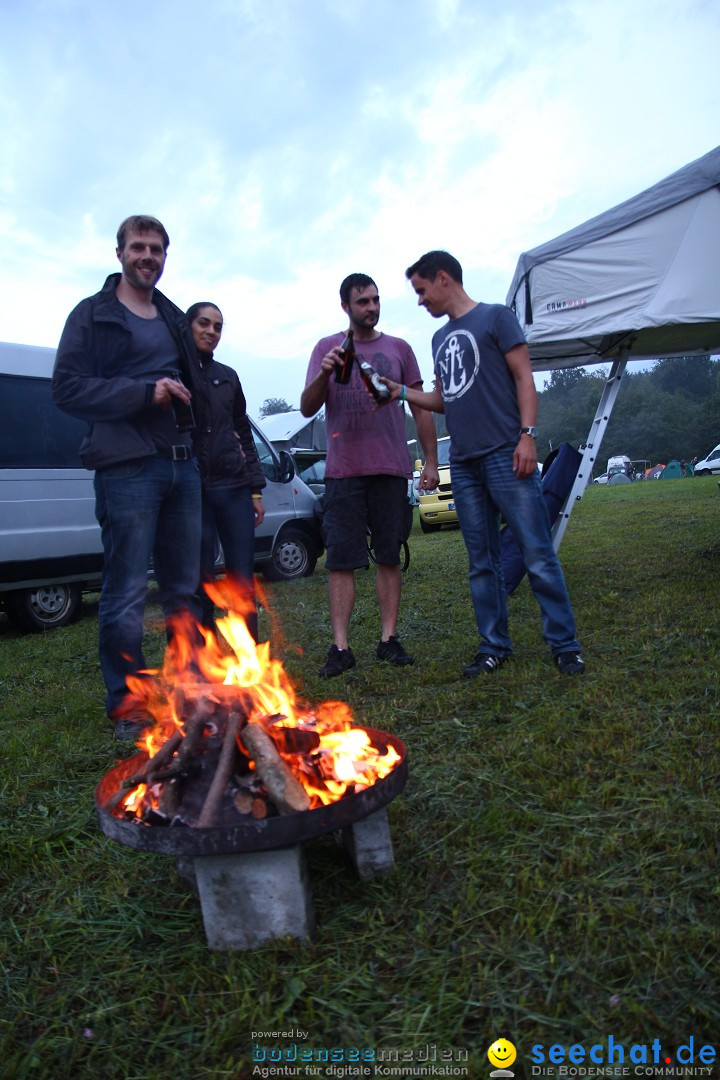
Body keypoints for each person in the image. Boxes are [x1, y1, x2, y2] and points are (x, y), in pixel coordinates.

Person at [386, 250, 585, 677]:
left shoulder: (497, 318)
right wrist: (400, 392)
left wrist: (527, 436)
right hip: (465, 463)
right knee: (482, 562)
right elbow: (444, 398)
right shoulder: (440, 339)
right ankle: (494, 645)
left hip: (505, 453)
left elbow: (523, 377)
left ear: (443, 278)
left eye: (421, 291)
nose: (420, 301)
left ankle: (564, 644)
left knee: (536, 551)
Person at [52, 214, 204, 739]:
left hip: (183, 464)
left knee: (185, 589)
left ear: (166, 256)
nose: (148, 256)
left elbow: (195, 380)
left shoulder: (173, 315)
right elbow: (67, 389)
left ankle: (191, 693)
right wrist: (145, 393)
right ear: (119, 253)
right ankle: (131, 707)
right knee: (126, 594)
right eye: (138, 247)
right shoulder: (93, 315)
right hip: (126, 468)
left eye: (157, 249)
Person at [301, 272, 439, 676]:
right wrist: (325, 372)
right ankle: (341, 647)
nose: (372, 307)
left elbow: (421, 407)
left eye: (376, 300)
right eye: (363, 301)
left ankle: (388, 639)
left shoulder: (399, 348)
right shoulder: (327, 348)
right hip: (343, 471)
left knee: (389, 555)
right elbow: (308, 406)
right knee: (341, 560)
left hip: (390, 466)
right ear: (345, 306)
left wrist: (429, 460)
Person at [186, 302, 266, 640]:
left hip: (233, 487)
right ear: (188, 327)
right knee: (198, 579)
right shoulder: (175, 372)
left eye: (218, 326)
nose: (211, 332)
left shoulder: (228, 377)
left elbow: (243, 432)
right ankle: (204, 661)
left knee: (241, 578)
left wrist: (255, 489)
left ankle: (251, 661)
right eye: (204, 323)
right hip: (193, 490)